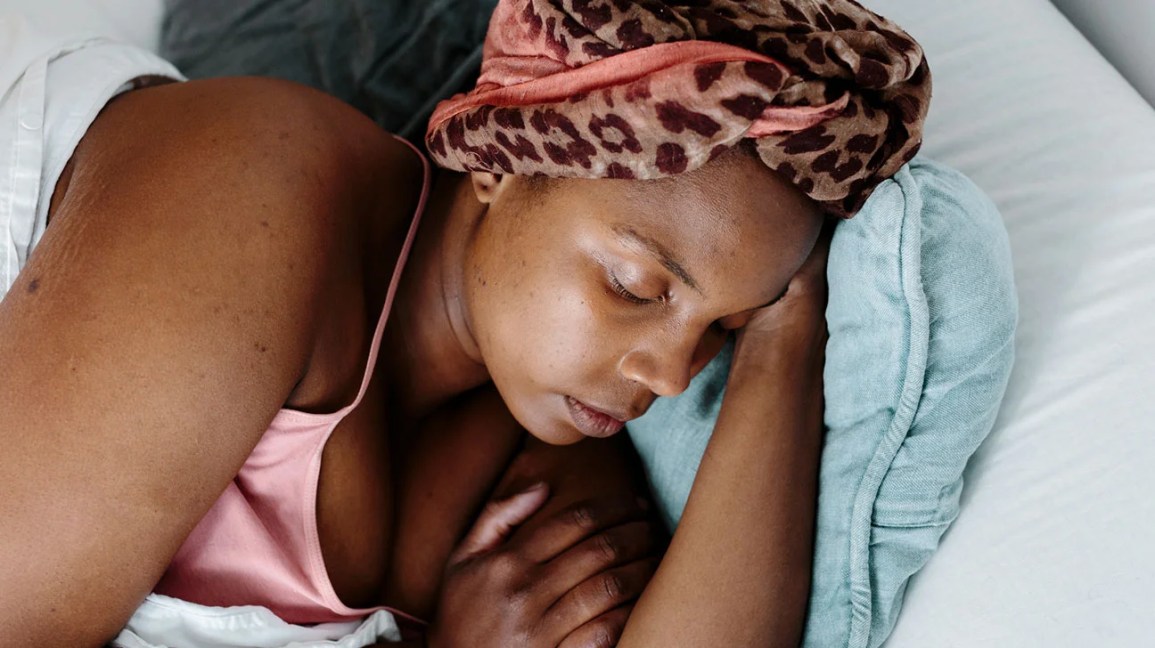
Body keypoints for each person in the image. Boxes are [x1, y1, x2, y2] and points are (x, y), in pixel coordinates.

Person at [0, 1, 929, 646]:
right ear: (501, 160)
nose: (673, 376)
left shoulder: (527, 444)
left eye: (719, 328)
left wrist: (785, 334)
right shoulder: (250, 200)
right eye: (639, 286)